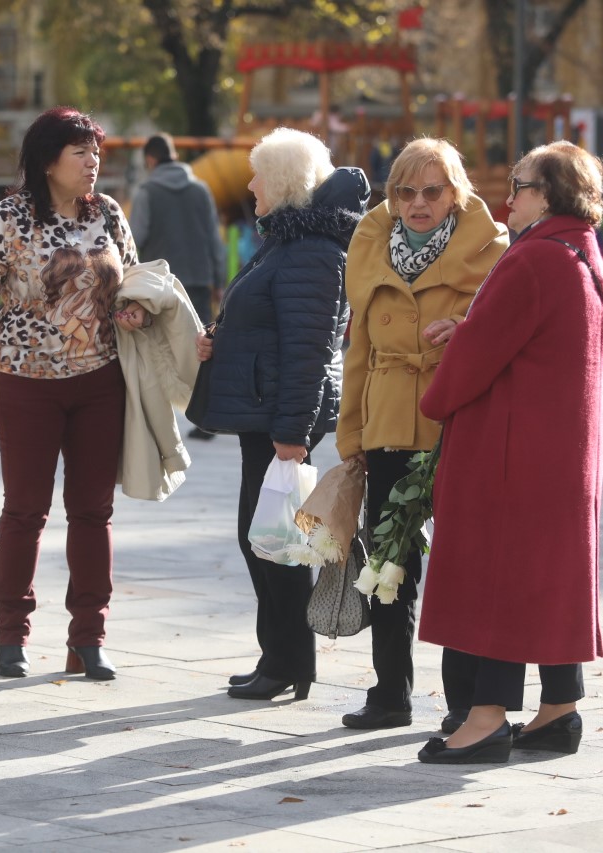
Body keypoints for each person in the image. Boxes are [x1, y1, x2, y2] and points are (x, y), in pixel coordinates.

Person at [415, 141, 603, 764]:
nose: (510, 197)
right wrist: (472, 328)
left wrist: (438, 394)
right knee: (548, 579)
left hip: (511, 453)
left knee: (495, 580)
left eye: (521, 185)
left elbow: (474, 365)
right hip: (565, 454)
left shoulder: (531, 259)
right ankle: (559, 709)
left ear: (551, 193)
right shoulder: (584, 254)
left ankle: (486, 718)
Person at [0, 107, 145, 682]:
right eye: (80, 152)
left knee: (93, 512)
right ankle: (12, 636)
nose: (92, 162)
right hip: (26, 384)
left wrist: (133, 311)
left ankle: (89, 637)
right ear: (48, 161)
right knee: (25, 511)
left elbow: (133, 282)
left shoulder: (108, 213)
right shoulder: (11, 218)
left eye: (96, 151)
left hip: (100, 383)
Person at [335, 138, 508, 732]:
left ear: (456, 192)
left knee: (464, 565)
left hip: (455, 419)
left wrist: (463, 329)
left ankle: (467, 703)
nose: (417, 202)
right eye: (405, 191)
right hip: (386, 417)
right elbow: (357, 348)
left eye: (432, 190)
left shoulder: (490, 250)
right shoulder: (370, 246)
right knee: (387, 563)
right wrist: (350, 433)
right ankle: (390, 693)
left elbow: (502, 336)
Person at [191, 128, 369, 702]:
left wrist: (292, 433)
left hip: (280, 421)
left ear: (284, 182)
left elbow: (309, 350)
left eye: (258, 174)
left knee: (277, 545)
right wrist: (224, 337)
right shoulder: (285, 242)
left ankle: (289, 662)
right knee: (265, 539)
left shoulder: (312, 250)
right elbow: (268, 321)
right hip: (264, 413)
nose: (249, 184)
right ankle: (282, 657)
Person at [129, 133, 228, 441]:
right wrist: (219, 280)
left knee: (155, 351)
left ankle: (156, 420)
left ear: (150, 160)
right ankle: (206, 419)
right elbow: (214, 238)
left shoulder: (147, 192)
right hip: (197, 279)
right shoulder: (201, 190)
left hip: (159, 285)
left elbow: (136, 239)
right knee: (200, 351)